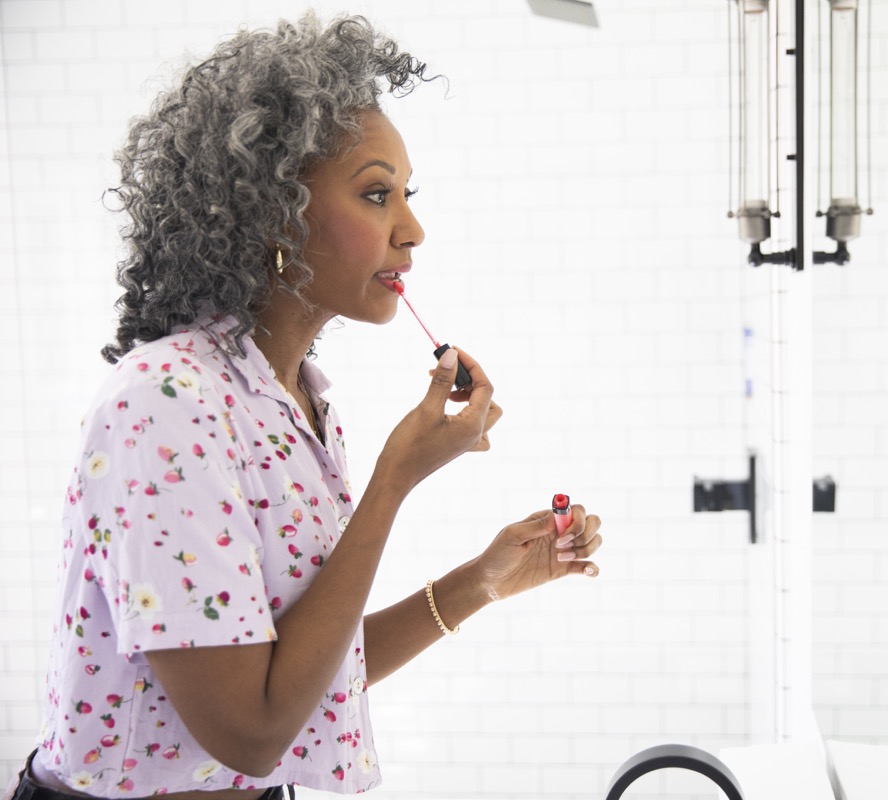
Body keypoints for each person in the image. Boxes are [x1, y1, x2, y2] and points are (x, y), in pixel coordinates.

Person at [11, 13, 602, 800]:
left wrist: (481, 580)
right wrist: (395, 477)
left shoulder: (294, 404)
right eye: (377, 195)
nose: (413, 230)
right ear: (273, 214)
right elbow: (251, 731)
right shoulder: (165, 402)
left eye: (406, 195)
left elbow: (300, 676)